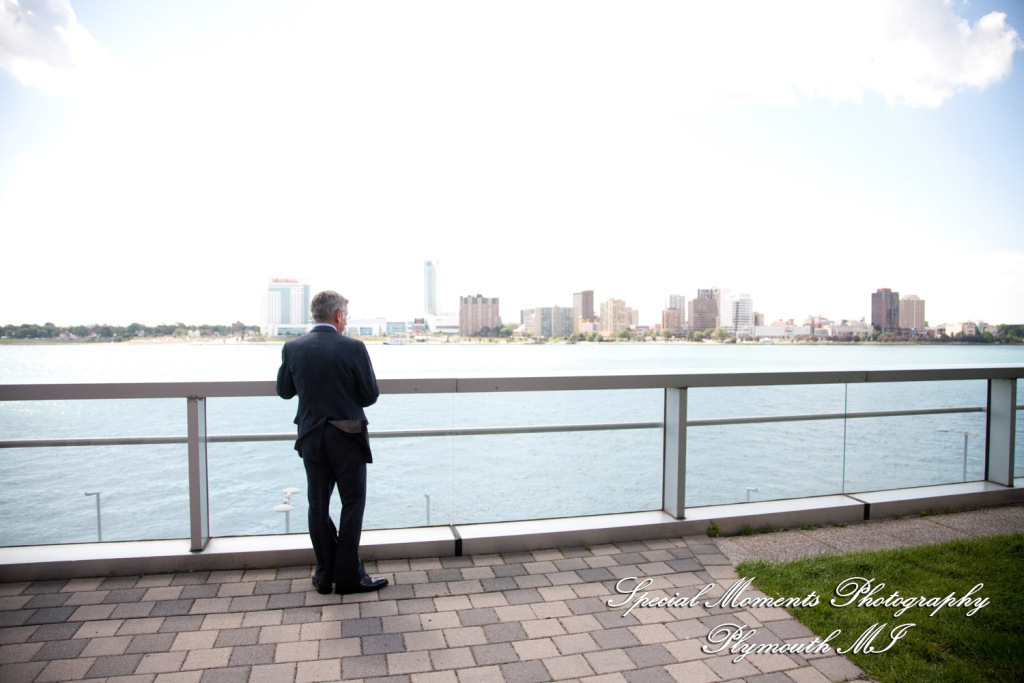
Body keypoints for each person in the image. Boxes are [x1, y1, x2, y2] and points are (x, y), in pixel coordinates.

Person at [276, 290, 388, 595]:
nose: (346, 321)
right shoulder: (353, 348)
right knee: (352, 502)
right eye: (346, 316)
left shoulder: (293, 348)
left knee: (318, 504)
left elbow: (285, 391)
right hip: (347, 435)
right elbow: (369, 395)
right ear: (338, 315)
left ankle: (325, 574)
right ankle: (349, 576)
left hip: (311, 436)